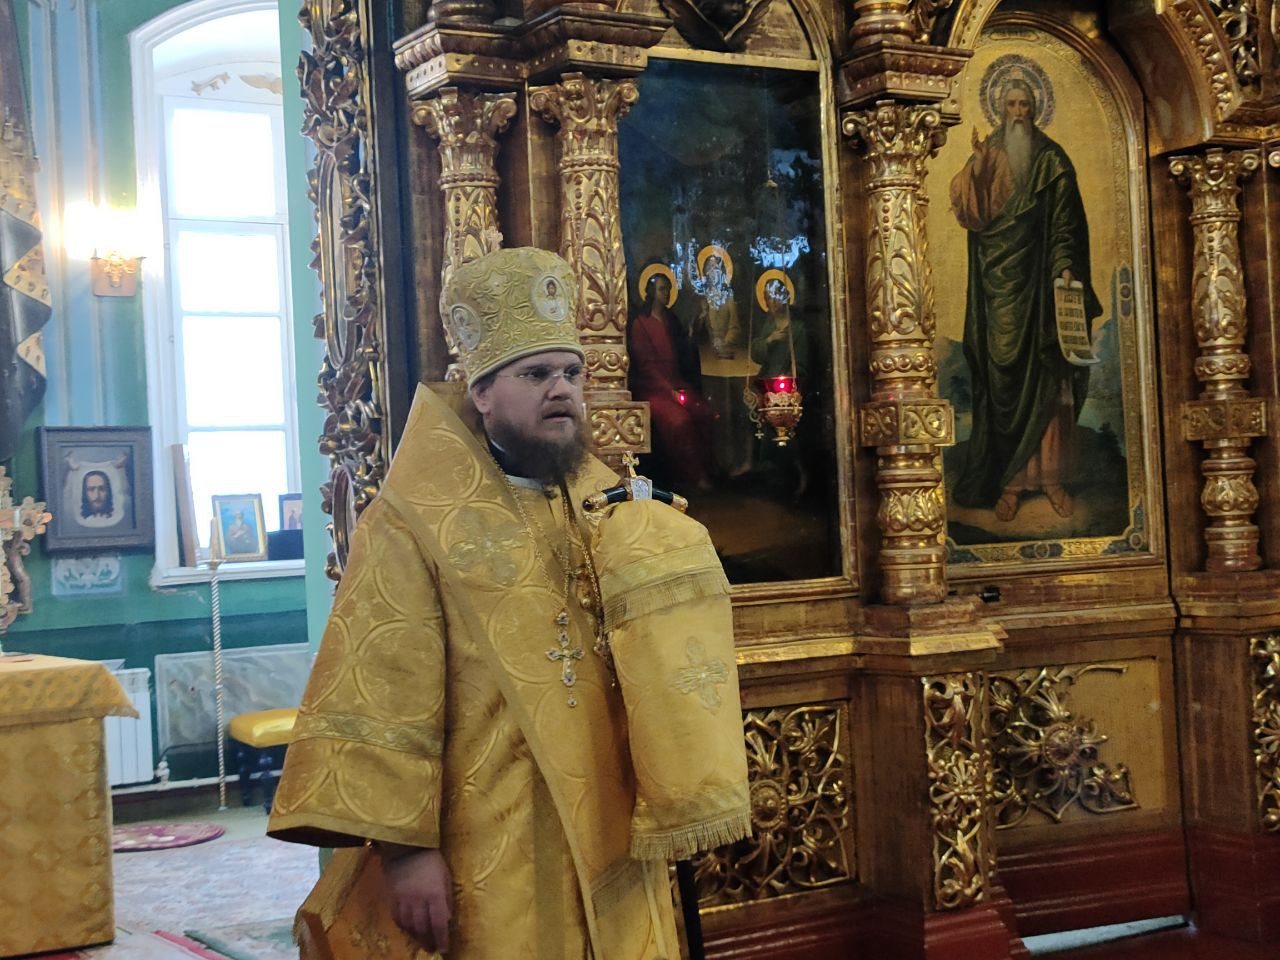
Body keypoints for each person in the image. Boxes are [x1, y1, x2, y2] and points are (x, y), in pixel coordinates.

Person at [269, 247, 750, 960]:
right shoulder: (412, 524)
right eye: (536, 374)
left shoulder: (607, 506)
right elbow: (384, 690)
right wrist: (407, 853)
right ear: (482, 393)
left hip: (613, 831)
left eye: (572, 374)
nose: (562, 390)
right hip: (488, 837)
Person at [949, 75, 1102, 522]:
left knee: (1047, 378)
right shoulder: (988, 154)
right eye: (1011, 105)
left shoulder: (1053, 160)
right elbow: (972, 214)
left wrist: (1064, 265)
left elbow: (1067, 221)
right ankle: (1011, 484)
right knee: (1002, 381)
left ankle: (1051, 479)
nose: (1018, 113)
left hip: (1040, 285)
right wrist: (977, 170)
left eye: (1024, 105)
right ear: (1000, 110)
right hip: (999, 295)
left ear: (1035, 109)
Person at [628, 267, 714, 490]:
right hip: (653, 388)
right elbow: (646, 365)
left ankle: (707, 469)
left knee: (704, 413)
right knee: (678, 422)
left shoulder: (671, 319)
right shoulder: (641, 323)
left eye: (668, 289)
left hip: (677, 384)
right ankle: (690, 476)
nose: (666, 293)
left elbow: (684, 353)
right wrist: (669, 391)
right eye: (661, 289)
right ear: (651, 292)